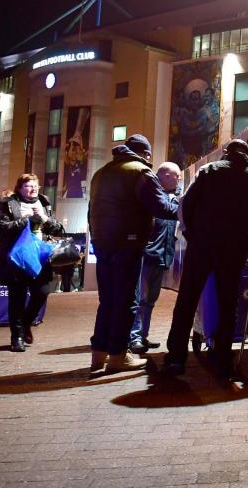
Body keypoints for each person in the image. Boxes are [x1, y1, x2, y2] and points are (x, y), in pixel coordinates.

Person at [163, 139, 248, 379]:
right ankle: (222, 358)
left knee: (187, 301)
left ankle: (176, 358)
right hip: (234, 250)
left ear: (226, 153)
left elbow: (186, 205)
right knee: (227, 304)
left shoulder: (208, 171)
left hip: (202, 246)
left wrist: (191, 234)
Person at [88, 135, 178, 374]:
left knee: (107, 299)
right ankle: (118, 355)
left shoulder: (102, 173)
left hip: (102, 242)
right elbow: (162, 207)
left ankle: (98, 354)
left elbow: (91, 211)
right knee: (128, 300)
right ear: (145, 154)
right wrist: (186, 208)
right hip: (128, 242)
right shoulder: (140, 172)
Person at [0, 174, 64, 351]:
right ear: (19, 188)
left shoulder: (44, 202)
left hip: (40, 256)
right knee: (17, 298)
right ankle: (16, 337)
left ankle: (26, 323)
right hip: (18, 257)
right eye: (28, 186)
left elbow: (57, 229)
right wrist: (25, 221)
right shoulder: (8, 203)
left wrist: (44, 218)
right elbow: (3, 228)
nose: (33, 189)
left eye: (35, 186)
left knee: (42, 292)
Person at [129, 161, 181, 354]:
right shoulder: (152, 197)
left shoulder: (171, 199)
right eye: (177, 176)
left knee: (149, 299)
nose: (179, 179)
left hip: (161, 256)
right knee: (140, 298)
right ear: (166, 176)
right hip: (147, 255)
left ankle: (142, 335)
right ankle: (135, 337)